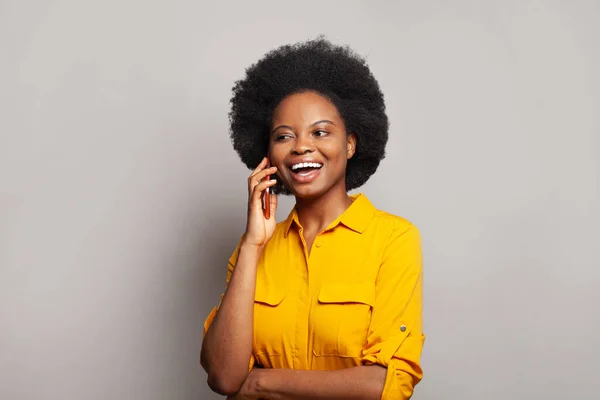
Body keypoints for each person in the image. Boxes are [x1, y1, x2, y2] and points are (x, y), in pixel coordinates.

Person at [200, 36, 424, 400]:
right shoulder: (254, 249)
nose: (302, 146)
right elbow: (224, 378)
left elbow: (383, 385)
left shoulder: (392, 239)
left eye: (320, 132)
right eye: (284, 136)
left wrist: (259, 383)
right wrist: (253, 244)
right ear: (268, 153)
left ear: (350, 144)